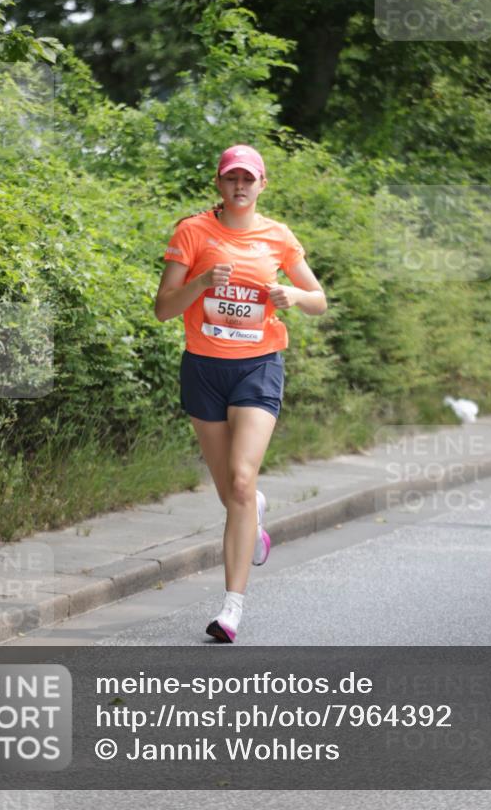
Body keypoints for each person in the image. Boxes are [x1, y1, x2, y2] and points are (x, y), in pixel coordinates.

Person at [154, 144, 327, 643]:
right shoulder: (193, 232)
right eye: (232, 178)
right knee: (231, 492)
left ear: (262, 185)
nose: (240, 187)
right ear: (219, 183)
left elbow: (318, 300)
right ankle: (253, 512)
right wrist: (204, 280)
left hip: (258, 367)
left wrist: (293, 295)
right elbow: (163, 308)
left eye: (249, 179)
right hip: (204, 369)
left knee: (243, 480)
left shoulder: (278, 236)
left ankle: (231, 608)